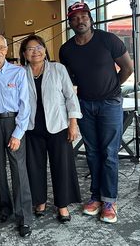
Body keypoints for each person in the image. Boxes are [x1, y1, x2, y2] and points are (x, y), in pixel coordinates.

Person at [59, 2, 134, 223]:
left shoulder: (108, 40)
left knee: (109, 153)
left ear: (91, 19)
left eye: (84, 16)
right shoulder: (66, 49)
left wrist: (112, 90)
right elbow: (70, 78)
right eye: (75, 18)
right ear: (70, 23)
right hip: (85, 105)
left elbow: (128, 68)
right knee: (92, 153)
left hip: (110, 104)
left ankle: (109, 201)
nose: (80, 21)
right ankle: (96, 197)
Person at [19, 34, 82, 224]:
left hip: (58, 125)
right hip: (31, 128)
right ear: (24, 54)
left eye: (39, 47)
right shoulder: (21, 73)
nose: (35, 52)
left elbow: (71, 97)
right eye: (30, 49)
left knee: (61, 166)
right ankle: (40, 202)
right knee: (34, 167)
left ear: (45, 50)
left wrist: (73, 124)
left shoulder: (58, 69)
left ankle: (62, 205)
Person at [0, 34, 32, 238]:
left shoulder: (18, 72)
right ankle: (5, 210)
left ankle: (24, 218)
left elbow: (25, 106)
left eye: (1, 48)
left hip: (13, 123)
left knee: (19, 171)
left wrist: (18, 133)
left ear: (7, 50)